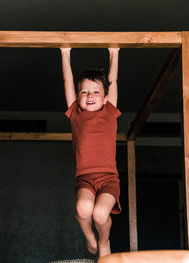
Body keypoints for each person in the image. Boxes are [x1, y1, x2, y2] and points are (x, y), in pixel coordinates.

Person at [60, 47, 121, 257]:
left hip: (109, 178)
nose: (90, 96)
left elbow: (113, 81)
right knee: (82, 208)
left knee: (100, 213)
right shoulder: (76, 113)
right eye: (84, 92)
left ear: (105, 97)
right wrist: (65, 52)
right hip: (85, 178)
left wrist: (114, 53)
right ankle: (90, 238)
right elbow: (67, 81)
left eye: (96, 92)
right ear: (78, 97)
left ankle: (104, 242)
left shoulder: (110, 110)